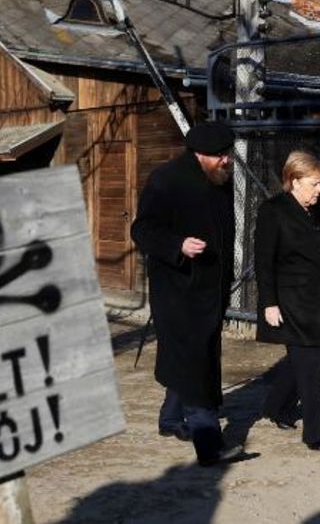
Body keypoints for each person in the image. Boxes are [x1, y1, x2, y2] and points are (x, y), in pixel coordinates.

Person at [130, 121, 246, 467]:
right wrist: (177, 244)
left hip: (211, 289)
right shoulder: (166, 180)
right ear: (199, 154)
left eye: (227, 154)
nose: (226, 161)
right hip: (177, 290)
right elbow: (143, 228)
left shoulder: (219, 179)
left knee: (189, 355)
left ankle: (170, 419)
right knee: (198, 363)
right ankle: (209, 444)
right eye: (220, 156)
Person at [255, 150, 320, 451]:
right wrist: (269, 302)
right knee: (311, 366)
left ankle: (274, 406)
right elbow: (264, 261)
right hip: (291, 301)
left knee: (313, 359)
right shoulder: (273, 211)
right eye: (314, 184)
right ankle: (315, 433)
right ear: (294, 181)